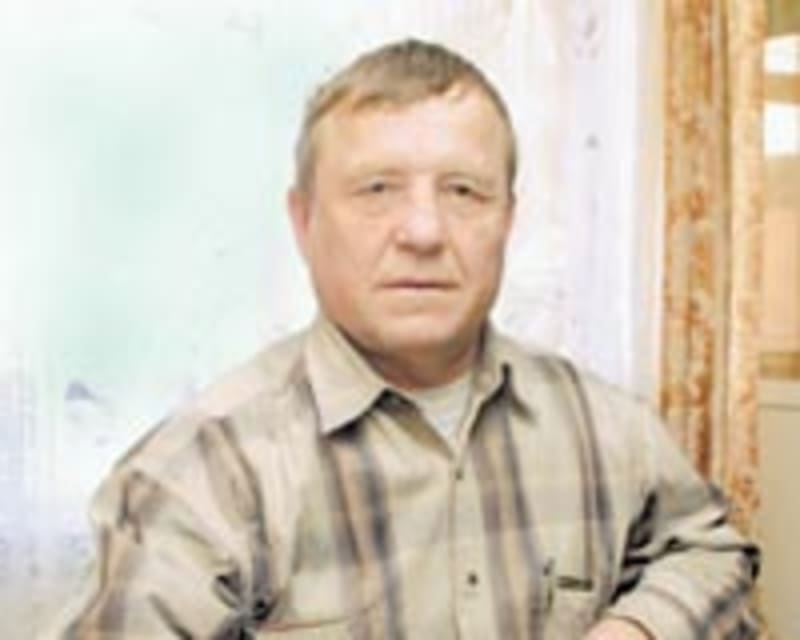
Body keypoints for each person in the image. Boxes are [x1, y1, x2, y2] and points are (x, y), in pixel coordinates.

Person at [51, 39, 759, 639]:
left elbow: (710, 554)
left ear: (507, 220)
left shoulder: (605, 426)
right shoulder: (199, 476)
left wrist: (639, 629)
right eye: (377, 190)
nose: (423, 231)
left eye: (463, 191)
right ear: (303, 222)